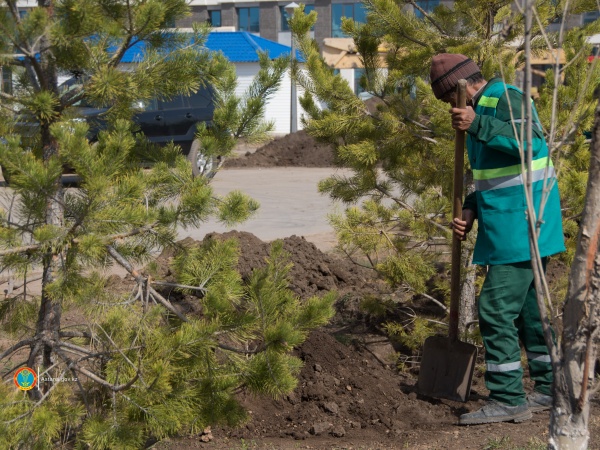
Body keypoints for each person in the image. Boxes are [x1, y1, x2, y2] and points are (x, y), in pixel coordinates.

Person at [429, 53, 565, 425]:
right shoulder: (483, 108)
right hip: (514, 221)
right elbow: (491, 174)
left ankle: (508, 398)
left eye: (447, 99)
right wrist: (471, 208)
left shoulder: (505, 98)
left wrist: (477, 124)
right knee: (531, 312)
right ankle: (548, 388)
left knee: (494, 308)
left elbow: (531, 144)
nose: (449, 107)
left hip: (523, 223)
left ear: (462, 87)